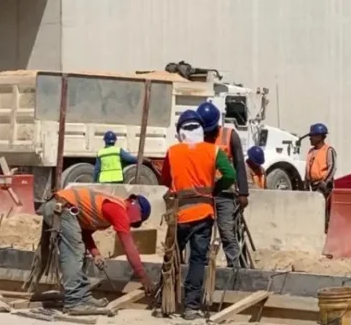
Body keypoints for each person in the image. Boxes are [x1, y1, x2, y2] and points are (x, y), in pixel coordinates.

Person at [159, 108, 237, 320]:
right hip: (204, 214)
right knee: (197, 260)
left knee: (172, 256)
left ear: (180, 131)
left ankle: (165, 301)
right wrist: (215, 188)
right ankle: (191, 307)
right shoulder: (213, 151)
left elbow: (165, 179)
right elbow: (231, 174)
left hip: (179, 215)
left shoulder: (173, 151)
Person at [39, 187, 153, 315]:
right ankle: (74, 302)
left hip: (63, 207)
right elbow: (129, 247)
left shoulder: (113, 206)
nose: (131, 224)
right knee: (75, 252)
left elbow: (84, 233)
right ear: (137, 212)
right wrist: (143, 276)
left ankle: (83, 297)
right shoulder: (119, 209)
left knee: (79, 251)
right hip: (61, 208)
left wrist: (96, 254)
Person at [197, 101, 249, 269]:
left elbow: (240, 164)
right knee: (201, 233)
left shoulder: (229, 135)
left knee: (227, 233)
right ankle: (201, 268)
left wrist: (243, 193)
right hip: (204, 193)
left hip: (225, 193)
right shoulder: (197, 136)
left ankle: (235, 269)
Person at [304, 123, 337, 233]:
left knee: (323, 210)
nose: (310, 138)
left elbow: (332, 167)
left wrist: (325, 182)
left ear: (319, 136)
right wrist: (306, 181)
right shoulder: (311, 151)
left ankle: (325, 231)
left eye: (312, 136)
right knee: (314, 210)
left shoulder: (329, 150)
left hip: (324, 185)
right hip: (312, 185)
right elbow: (308, 167)